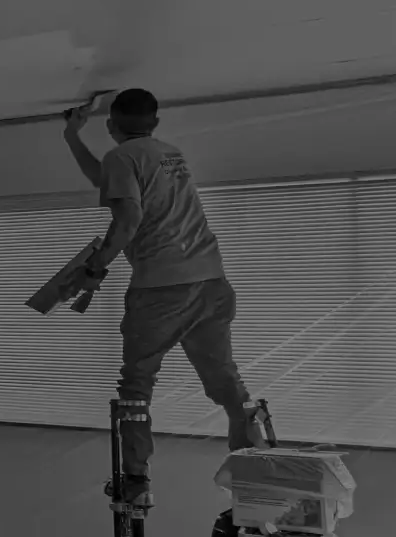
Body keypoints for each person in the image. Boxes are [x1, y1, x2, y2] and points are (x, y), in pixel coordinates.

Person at [63, 89, 268, 500]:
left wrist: (97, 266)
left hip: (161, 290)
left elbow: (128, 216)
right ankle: (254, 451)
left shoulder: (122, 158)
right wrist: (72, 137)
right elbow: (108, 181)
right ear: (155, 124)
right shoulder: (169, 155)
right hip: (212, 285)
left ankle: (136, 481)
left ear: (111, 126)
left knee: (136, 385)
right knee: (224, 376)